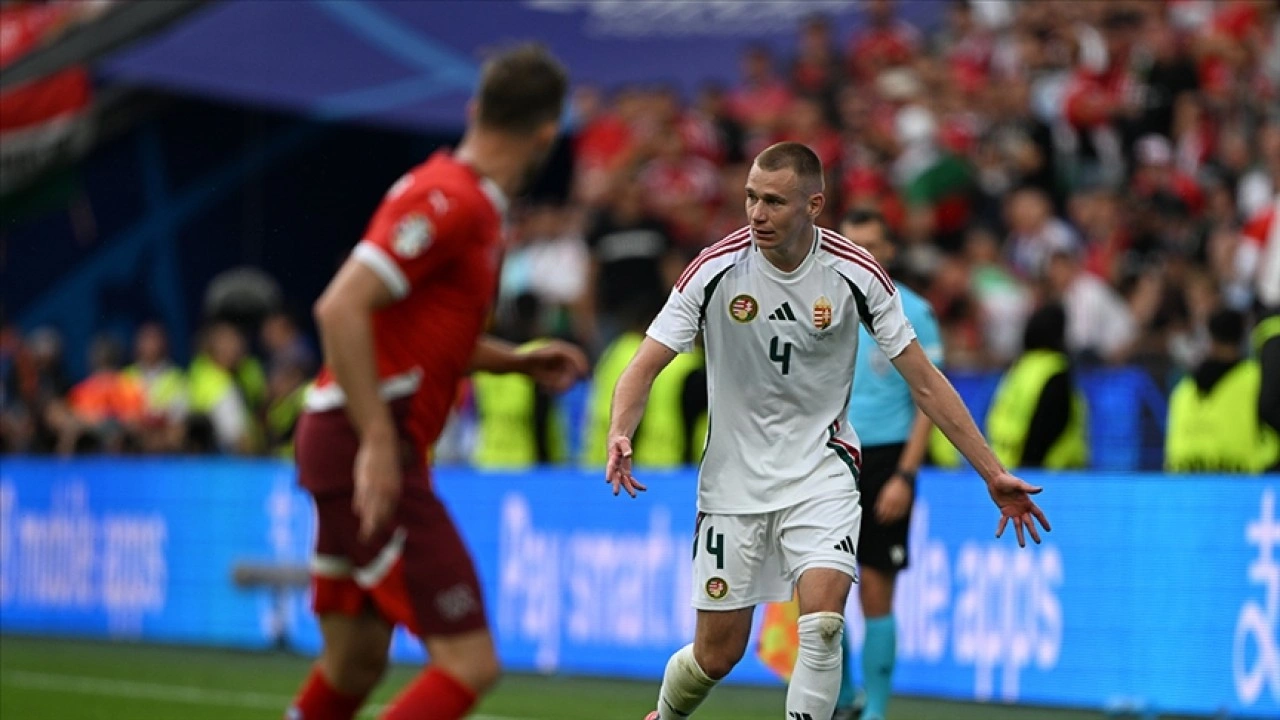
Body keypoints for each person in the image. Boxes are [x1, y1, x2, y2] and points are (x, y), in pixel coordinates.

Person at [605, 142, 1050, 720]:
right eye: (750, 198)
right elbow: (644, 364)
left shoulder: (855, 273)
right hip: (733, 482)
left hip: (823, 473)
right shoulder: (715, 269)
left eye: (773, 201)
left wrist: (992, 473)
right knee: (717, 655)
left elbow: (925, 383)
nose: (757, 213)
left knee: (822, 625)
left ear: (813, 205)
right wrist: (620, 430)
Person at [285, 45, 585, 720]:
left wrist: (514, 361)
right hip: (367, 441)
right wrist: (377, 442)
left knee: (355, 659)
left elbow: (420, 332)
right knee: (469, 663)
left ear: (476, 108)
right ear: (546, 135)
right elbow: (340, 307)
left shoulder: (464, 200)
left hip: (345, 439)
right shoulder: (453, 201)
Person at [831, 210, 942, 720]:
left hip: (885, 460)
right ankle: (840, 698)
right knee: (823, 588)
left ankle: (874, 710)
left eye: (871, 245)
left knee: (875, 587)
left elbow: (929, 400)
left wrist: (905, 475)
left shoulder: (913, 311)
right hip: (829, 456)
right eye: (852, 245)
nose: (862, 255)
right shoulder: (824, 304)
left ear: (890, 250)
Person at [1165, 308, 1279, 473]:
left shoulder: (1183, 389)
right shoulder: (1257, 378)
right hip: (1246, 481)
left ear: (1209, 339)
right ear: (1243, 337)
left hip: (1186, 481)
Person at [986, 303, 1089, 470]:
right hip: (1051, 472)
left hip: (1006, 464)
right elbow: (1049, 424)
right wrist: (1030, 464)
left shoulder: (1020, 368)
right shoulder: (1055, 369)